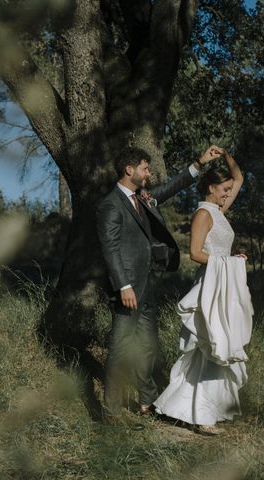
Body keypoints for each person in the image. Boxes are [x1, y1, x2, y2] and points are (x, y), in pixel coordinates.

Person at [96, 144, 222, 417]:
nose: (148, 173)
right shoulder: (110, 205)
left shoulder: (143, 197)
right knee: (120, 348)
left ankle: (146, 401)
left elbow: (171, 187)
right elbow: (110, 248)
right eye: (144, 168)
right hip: (128, 289)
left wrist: (199, 163)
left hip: (148, 284)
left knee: (147, 345)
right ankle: (111, 411)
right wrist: (124, 286)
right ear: (129, 170)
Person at [153, 148, 253, 435]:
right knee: (209, 345)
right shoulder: (203, 214)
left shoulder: (220, 210)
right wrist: (230, 262)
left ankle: (198, 409)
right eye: (223, 190)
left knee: (218, 347)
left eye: (228, 191)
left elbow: (239, 178)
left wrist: (228, 155)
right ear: (211, 188)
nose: (227, 194)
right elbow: (195, 253)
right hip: (209, 284)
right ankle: (202, 416)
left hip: (223, 285)